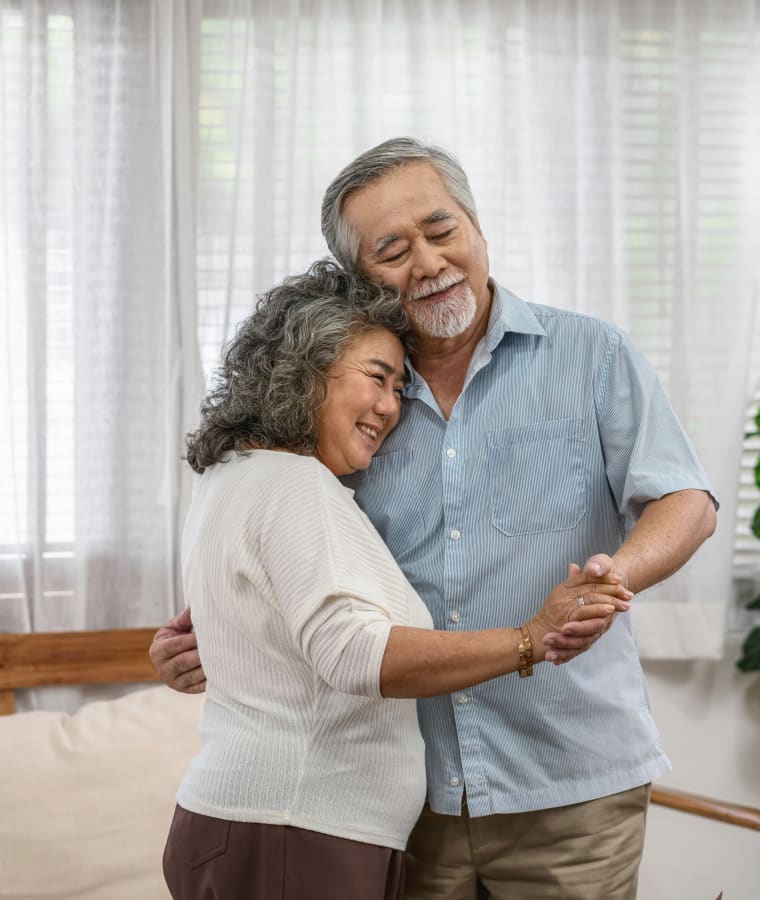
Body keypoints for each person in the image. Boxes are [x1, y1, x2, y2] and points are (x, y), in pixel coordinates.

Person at [152, 138, 718, 900]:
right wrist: (225, 633)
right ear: (361, 278)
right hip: (411, 797)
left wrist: (618, 574)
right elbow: (289, 548)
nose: (426, 261)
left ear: (478, 227)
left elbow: (686, 499)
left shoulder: (592, 354)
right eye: (392, 249)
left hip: (570, 781)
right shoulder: (345, 402)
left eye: (441, 229)